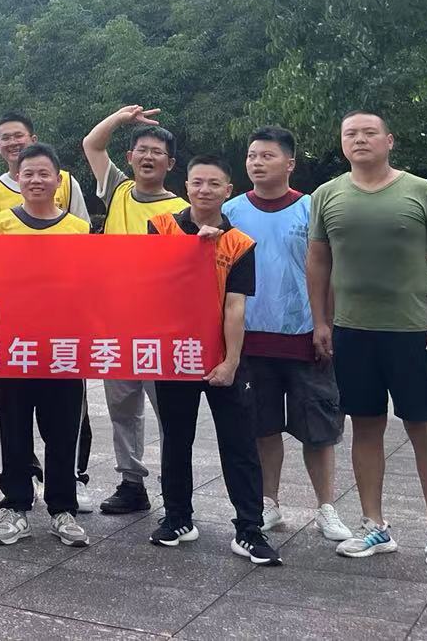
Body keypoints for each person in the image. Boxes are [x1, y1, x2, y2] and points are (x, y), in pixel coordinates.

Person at [309, 111, 427, 569]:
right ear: (342, 143)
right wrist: (321, 321)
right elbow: (318, 262)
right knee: (365, 426)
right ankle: (374, 524)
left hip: (413, 332)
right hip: (352, 331)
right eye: (350, 134)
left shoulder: (421, 191)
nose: (360, 139)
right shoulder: (327, 195)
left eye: (369, 132)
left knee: (424, 427)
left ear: (389, 140)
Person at [146, 156, 280, 565]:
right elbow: (151, 282)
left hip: (224, 358)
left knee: (238, 442)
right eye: (197, 182)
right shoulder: (161, 228)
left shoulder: (239, 243)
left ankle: (249, 529)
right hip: (176, 356)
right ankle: (177, 518)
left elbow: (235, 307)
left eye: (214, 184)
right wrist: (193, 250)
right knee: (176, 438)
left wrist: (231, 361)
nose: (204, 190)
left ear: (228, 190)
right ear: (186, 186)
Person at [224, 126, 351, 542]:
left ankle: (326, 507)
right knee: (262, 426)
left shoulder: (312, 208)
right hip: (251, 339)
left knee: (319, 428)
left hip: (305, 335)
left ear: (290, 163)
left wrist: (325, 323)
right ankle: (269, 503)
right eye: (252, 156)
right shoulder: (232, 211)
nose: (257, 162)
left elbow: (330, 271)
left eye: (268, 155)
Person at [0, 113, 93, 510]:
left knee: (63, 431)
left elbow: (91, 288)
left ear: (58, 181)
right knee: (12, 432)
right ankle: (16, 506)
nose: (36, 180)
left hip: (63, 347)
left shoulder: (79, 230)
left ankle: (63, 508)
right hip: (10, 347)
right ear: (18, 178)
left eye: (44, 174)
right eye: (28, 174)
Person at [83, 104, 183, 516]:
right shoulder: (119, 191)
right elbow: (92, 144)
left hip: (162, 330)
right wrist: (121, 119)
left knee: (170, 412)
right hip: (116, 325)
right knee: (123, 409)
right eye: (141, 150)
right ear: (129, 157)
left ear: (170, 163)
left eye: (157, 152)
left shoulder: (182, 210)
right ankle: (131, 483)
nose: (148, 157)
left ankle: (176, 488)